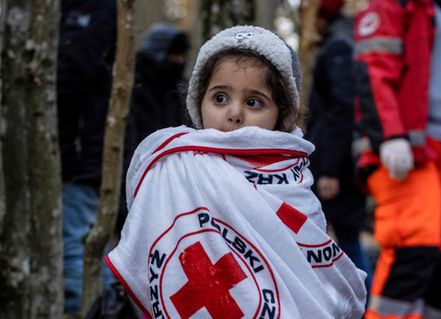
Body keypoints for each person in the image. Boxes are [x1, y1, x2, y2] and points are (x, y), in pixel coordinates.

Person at [106, 25, 367, 318]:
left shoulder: (292, 183)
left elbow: (309, 281)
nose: (234, 113)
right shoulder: (176, 168)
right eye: (220, 98)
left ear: (282, 114)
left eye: (253, 102)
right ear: (198, 101)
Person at [354, 0, 441, 318]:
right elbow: (373, 68)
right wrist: (390, 135)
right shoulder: (398, 5)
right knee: (415, 243)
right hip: (411, 147)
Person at [57, 0, 120, 315]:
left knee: (79, 245)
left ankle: (90, 309)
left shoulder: (102, 12)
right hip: (73, 153)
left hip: (83, 156)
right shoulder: (68, 11)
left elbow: (75, 71)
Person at [306, 0, 373, 296]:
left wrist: (330, 170)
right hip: (346, 162)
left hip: (338, 169)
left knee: (345, 241)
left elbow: (342, 111)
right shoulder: (351, 41)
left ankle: (368, 306)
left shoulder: (339, 48)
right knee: (344, 239)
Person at [129, 23, 191, 147]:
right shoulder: (132, 87)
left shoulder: (183, 90)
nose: (180, 60)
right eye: (174, 54)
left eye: (182, 55)